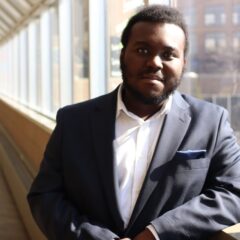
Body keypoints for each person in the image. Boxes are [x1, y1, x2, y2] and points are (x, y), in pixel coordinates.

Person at [27, 4, 240, 240]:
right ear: (122, 55)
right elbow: (45, 196)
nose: (155, 63)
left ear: (184, 63)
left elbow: (234, 192)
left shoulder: (211, 121)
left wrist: (156, 233)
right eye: (142, 50)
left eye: (169, 54)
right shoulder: (73, 121)